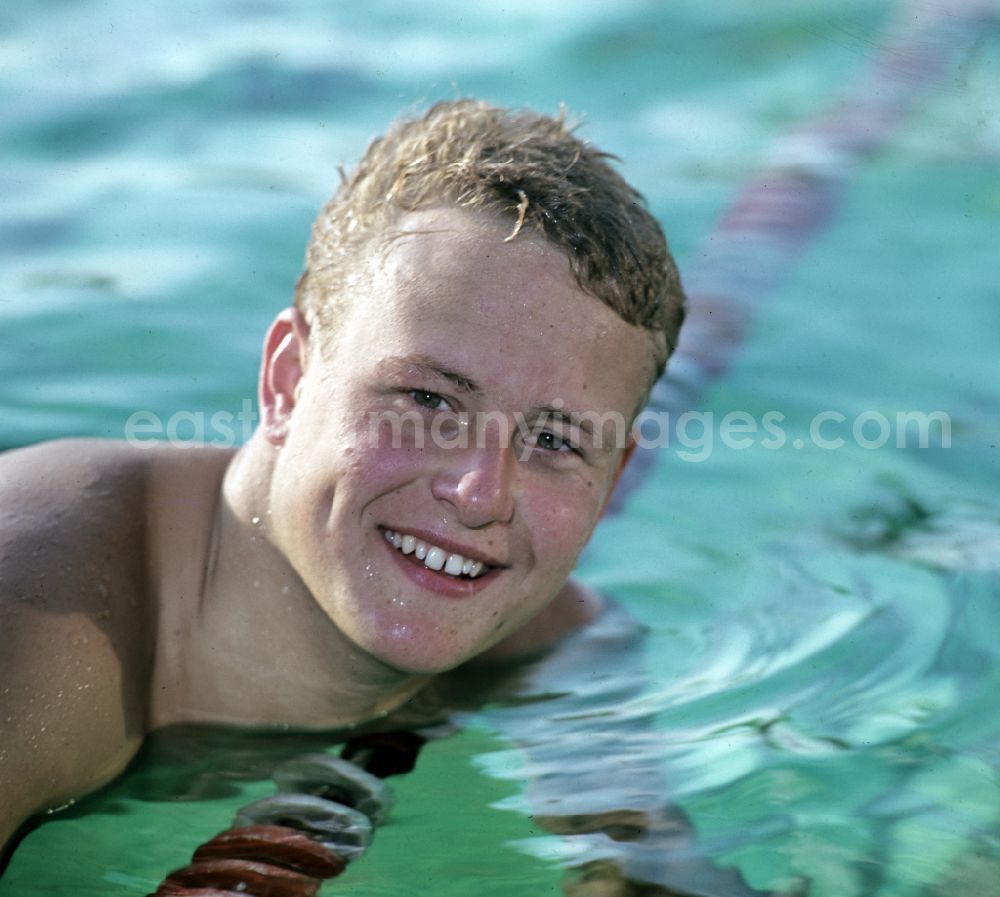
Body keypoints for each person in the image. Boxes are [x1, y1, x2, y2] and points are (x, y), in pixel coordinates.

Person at [0, 99, 686, 874]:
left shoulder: (554, 645)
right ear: (287, 380)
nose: (479, 492)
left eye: (556, 440)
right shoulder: (32, 620)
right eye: (429, 400)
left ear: (613, 477)